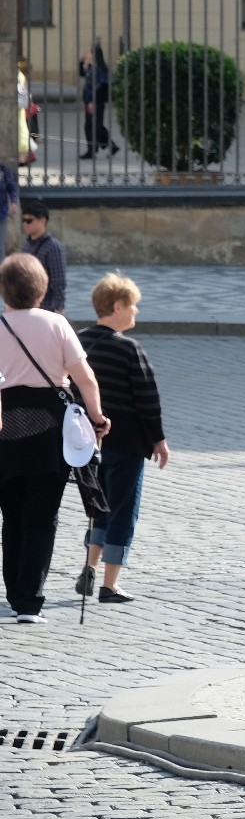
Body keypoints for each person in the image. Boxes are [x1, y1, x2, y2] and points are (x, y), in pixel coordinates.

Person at [0, 253, 109, 622]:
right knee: (42, 518)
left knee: (11, 517)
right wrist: (97, 417)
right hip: (50, 432)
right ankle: (29, 602)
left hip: (4, 431)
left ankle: (15, 593)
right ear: (43, 289)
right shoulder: (57, 325)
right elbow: (86, 378)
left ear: (4, 291)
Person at [75, 274, 166, 603]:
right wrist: (158, 440)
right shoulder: (130, 349)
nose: (137, 312)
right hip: (127, 443)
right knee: (123, 509)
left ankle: (90, 565)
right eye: (134, 306)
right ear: (117, 306)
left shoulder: (80, 341)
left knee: (97, 507)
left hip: (89, 443)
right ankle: (109, 584)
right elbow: (147, 399)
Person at [20, 200, 65, 315]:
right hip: (25, 306)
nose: (25, 224)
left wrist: (59, 308)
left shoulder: (53, 247)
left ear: (42, 221)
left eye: (29, 221)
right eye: (23, 220)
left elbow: (58, 281)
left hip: (46, 308)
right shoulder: (26, 246)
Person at [77, 45, 117, 160]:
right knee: (90, 126)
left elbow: (100, 87)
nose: (87, 53)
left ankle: (106, 147)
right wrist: (81, 62)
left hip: (96, 102)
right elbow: (82, 74)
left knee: (96, 126)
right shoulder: (91, 67)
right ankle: (92, 150)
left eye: (89, 52)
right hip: (89, 101)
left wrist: (92, 101)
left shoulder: (100, 69)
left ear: (95, 55)